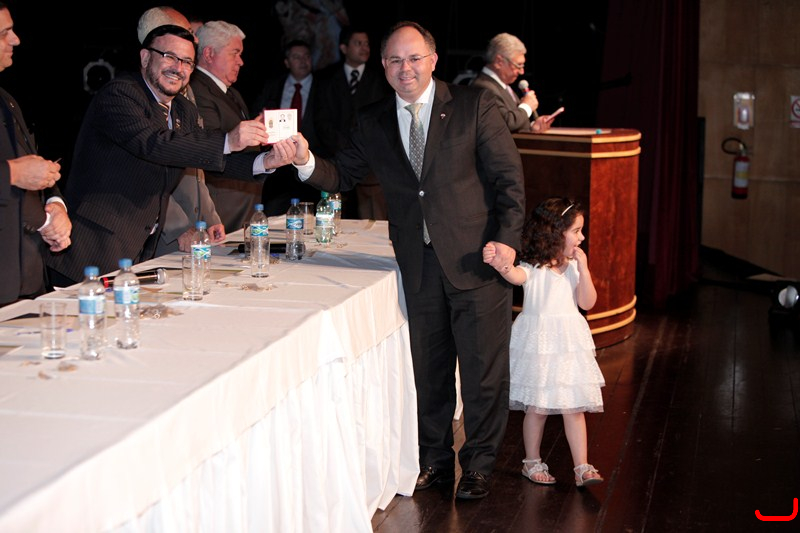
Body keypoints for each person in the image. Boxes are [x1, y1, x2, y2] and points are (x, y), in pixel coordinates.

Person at [288, 21, 526, 500]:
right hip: (418, 266)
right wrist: (303, 159)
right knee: (429, 372)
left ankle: (478, 465)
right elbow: (342, 175)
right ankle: (434, 461)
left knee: (482, 375)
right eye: (395, 60)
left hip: (478, 261)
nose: (406, 68)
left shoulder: (473, 105)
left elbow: (510, 181)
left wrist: (506, 243)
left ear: (433, 60)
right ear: (383, 66)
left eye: (414, 58)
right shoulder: (372, 119)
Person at [47, 24, 296, 285]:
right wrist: (228, 140)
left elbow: (203, 155)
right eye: (169, 57)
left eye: (187, 61)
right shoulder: (119, 94)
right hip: (94, 246)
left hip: (140, 248)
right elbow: (154, 144)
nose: (178, 68)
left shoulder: (183, 109)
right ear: (145, 57)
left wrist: (264, 161)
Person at [482, 197, 605, 487]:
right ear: (555, 232)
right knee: (537, 408)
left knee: (573, 407)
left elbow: (587, 302)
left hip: (568, 346)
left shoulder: (574, 267)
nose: (582, 237)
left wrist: (585, 270)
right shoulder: (534, 268)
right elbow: (515, 276)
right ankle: (532, 461)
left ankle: (581, 466)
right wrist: (501, 263)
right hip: (539, 346)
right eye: (576, 231)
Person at [136, 7, 226, 256]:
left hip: (192, 226)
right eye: (185, 31)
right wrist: (179, 227)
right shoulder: (129, 97)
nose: (194, 38)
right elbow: (148, 170)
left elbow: (194, 166)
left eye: (187, 61)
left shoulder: (183, 99)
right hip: (159, 233)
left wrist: (208, 217)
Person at [0, 2, 71, 306]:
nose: (16, 40)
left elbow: (33, 164)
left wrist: (55, 205)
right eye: (4, 33)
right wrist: (15, 173)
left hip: (26, 276)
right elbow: (17, 172)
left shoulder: (6, 99)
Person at [190, 20, 262, 234]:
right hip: (222, 206)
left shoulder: (230, 91)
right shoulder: (197, 90)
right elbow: (209, 144)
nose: (241, 61)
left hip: (241, 200)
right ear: (209, 54)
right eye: (235, 53)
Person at [314, 26, 391, 219]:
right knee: (332, 215)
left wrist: (362, 147)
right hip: (334, 157)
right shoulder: (326, 78)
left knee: (373, 216)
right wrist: (342, 147)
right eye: (358, 43)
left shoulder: (382, 78)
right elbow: (321, 119)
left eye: (367, 44)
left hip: (370, 160)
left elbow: (382, 118)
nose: (365, 48)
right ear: (344, 48)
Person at [250, 39, 320, 216]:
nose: (303, 61)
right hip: (278, 166)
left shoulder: (325, 87)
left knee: (310, 218)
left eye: (306, 56)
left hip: (314, 163)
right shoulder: (273, 85)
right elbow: (256, 113)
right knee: (274, 216)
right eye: (297, 57)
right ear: (287, 62)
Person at [470, 33, 553, 133]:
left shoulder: (503, 86)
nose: (522, 72)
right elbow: (505, 123)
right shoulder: (483, 86)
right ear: (499, 61)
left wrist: (532, 128)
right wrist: (527, 106)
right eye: (518, 65)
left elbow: (515, 124)